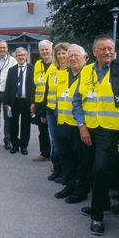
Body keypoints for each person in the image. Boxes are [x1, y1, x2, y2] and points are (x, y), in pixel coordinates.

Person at [72, 35, 119, 236]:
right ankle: (103, 203)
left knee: (100, 169)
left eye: (110, 48)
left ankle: (97, 216)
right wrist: (81, 126)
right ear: (95, 51)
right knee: (90, 168)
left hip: (109, 129)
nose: (107, 52)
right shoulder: (86, 70)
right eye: (103, 49)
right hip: (88, 128)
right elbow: (77, 101)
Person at [54, 44, 87, 201]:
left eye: (76, 56)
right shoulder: (62, 74)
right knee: (66, 156)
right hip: (62, 123)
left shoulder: (88, 75)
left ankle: (80, 190)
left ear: (84, 58)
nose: (72, 59)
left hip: (79, 126)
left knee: (80, 159)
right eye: (70, 56)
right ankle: (69, 184)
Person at [3, 47, 33, 155]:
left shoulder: (32, 69)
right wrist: (6, 103)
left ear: (26, 56)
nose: (21, 57)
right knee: (13, 124)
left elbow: (34, 87)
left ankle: (24, 146)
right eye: (19, 55)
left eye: (23, 55)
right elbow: (7, 87)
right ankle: (15, 145)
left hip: (26, 101)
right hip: (14, 101)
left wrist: (33, 102)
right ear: (16, 57)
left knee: (26, 125)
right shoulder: (12, 70)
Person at [47, 42, 69, 182]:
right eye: (58, 53)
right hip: (51, 109)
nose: (61, 56)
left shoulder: (72, 70)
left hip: (65, 111)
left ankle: (64, 171)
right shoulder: (53, 69)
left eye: (63, 53)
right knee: (54, 141)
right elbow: (47, 89)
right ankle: (56, 168)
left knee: (63, 142)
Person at [31, 40, 53, 161]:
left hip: (52, 103)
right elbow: (34, 85)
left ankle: (56, 156)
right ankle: (44, 153)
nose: (44, 51)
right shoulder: (38, 64)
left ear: (51, 49)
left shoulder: (56, 64)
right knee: (42, 130)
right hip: (39, 103)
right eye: (42, 49)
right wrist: (33, 102)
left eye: (46, 49)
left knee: (55, 132)